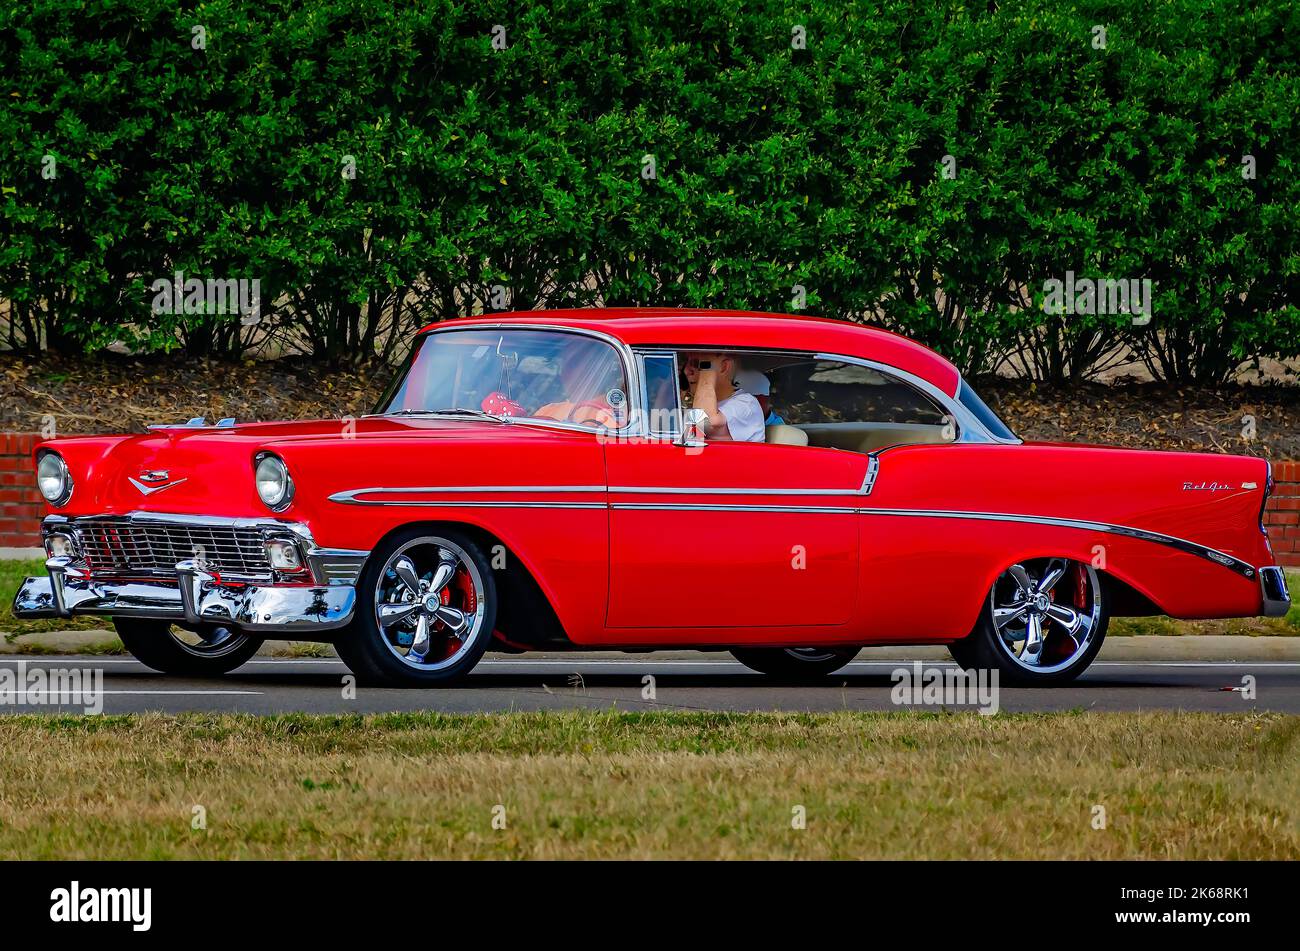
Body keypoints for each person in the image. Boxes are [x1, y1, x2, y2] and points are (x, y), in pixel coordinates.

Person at [534, 337, 626, 428]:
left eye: (574, 364)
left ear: (596, 368)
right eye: (564, 364)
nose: (565, 373)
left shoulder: (613, 413)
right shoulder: (548, 410)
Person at [681, 352, 764, 442]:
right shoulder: (705, 405)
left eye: (697, 364)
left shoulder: (747, 403)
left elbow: (705, 422)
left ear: (724, 367)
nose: (686, 371)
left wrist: (708, 363)